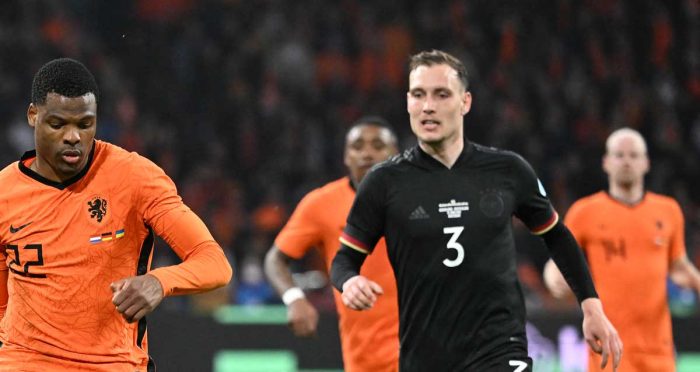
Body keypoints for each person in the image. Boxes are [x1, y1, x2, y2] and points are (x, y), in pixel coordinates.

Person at [330, 49, 623, 371]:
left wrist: (591, 307)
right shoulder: (384, 182)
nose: (428, 106)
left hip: (499, 348)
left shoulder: (507, 170)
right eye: (419, 95)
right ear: (408, 102)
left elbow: (557, 237)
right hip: (425, 356)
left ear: (465, 102)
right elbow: (344, 261)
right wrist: (350, 282)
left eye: (442, 94)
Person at [0, 58, 232, 371]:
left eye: (84, 124)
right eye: (58, 124)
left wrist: (158, 281)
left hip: (112, 364)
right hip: (24, 362)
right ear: (33, 116)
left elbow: (215, 263)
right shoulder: (5, 192)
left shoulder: (135, 178)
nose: (73, 137)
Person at [543, 127, 700, 372]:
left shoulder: (668, 211)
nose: (626, 161)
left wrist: (696, 282)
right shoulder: (585, 212)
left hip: (658, 350)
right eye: (619, 155)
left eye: (634, 155)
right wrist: (552, 277)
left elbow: (678, 267)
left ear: (646, 163)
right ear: (606, 162)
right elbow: (559, 259)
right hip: (607, 345)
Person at [264, 117, 400, 372]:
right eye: (357, 146)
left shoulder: (418, 199)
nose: (367, 153)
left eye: (377, 145)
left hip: (424, 354)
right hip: (364, 360)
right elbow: (275, 259)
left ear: (396, 154)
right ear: (346, 157)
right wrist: (295, 299)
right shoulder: (321, 204)